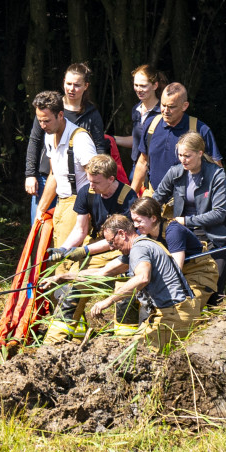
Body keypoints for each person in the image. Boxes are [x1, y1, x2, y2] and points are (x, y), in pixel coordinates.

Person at [51, 214, 196, 349]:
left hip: (174, 314)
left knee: (138, 355)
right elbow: (102, 272)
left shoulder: (139, 248)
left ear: (122, 233)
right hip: (166, 313)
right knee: (132, 351)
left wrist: (107, 301)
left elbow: (142, 278)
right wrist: (63, 277)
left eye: (112, 242)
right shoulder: (135, 249)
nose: (112, 247)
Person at [43, 154, 138, 341]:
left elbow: (120, 240)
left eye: (97, 182)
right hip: (96, 246)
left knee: (125, 295)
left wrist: (85, 251)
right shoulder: (87, 192)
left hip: (123, 251)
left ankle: (126, 343)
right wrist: (64, 250)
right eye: (90, 181)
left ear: (111, 179)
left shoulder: (128, 198)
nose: (92, 186)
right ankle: (55, 342)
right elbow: (80, 229)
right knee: (72, 289)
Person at [151, 132, 226, 301]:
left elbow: (219, 214)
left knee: (212, 292)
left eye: (187, 156)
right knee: (186, 287)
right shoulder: (175, 172)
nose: (183, 160)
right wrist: (142, 216)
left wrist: (185, 221)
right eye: (180, 155)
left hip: (215, 237)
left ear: (200, 153)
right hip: (186, 235)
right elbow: (156, 199)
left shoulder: (217, 175)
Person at [24, 63, 108, 220]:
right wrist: (30, 173)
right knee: (40, 222)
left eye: (77, 85)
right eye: (68, 83)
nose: (71, 89)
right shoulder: (48, 108)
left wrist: (99, 185)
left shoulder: (91, 115)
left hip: (77, 183)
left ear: (86, 86)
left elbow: (99, 149)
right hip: (48, 176)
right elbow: (35, 140)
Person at [129, 197, 218, 323]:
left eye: (138, 221)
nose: (135, 225)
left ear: (153, 218)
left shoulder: (173, 231)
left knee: (185, 309)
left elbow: (175, 271)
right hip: (179, 275)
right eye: (133, 221)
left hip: (199, 273)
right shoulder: (145, 233)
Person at [34, 90, 98, 252]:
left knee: (66, 260)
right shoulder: (49, 135)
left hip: (79, 203)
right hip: (61, 203)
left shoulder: (80, 139)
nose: (42, 126)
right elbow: (53, 174)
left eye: (46, 121)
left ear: (60, 115)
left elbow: (96, 179)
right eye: (40, 121)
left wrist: (88, 214)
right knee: (54, 256)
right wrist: (40, 211)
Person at [131, 82, 223, 195]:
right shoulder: (151, 125)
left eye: (171, 107)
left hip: (188, 203)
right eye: (163, 105)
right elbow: (142, 162)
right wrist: (131, 196)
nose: (165, 110)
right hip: (154, 198)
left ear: (184, 106)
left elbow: (216, 169)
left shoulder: (200, 130)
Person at [114, 64, 166, 178]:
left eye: (143, 86)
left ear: (155, 85)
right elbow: (137, 141)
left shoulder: (164, 112)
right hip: (136, 166)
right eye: (136, 85)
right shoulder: (136, 109)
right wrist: (112, 139)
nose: (139, 90)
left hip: (157, 170)